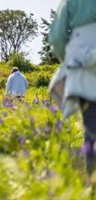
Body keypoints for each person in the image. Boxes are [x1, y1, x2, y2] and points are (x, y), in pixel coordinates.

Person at [48, 0, 96, 180]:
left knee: (92, 126)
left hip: (83, 68)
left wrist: (68, 60)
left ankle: (93, 183)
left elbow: (57, 37)